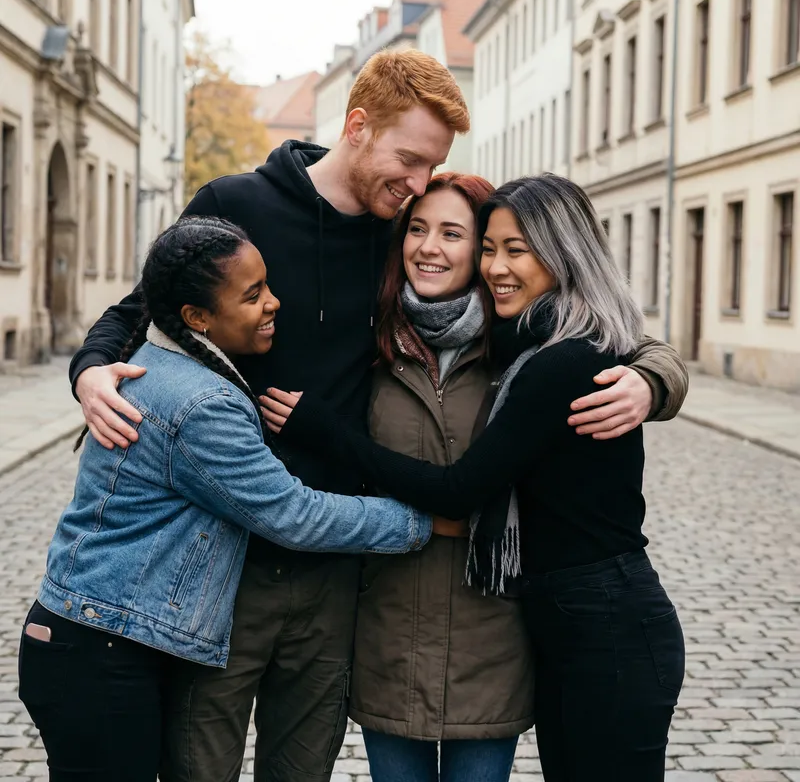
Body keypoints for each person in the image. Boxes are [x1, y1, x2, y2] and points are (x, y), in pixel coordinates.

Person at [68, 48, 678, 780]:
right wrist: (90, 372)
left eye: (433, 172)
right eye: (411, 160)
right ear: (357, 126)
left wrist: (653, 379)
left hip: (337, 572)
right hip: (228, 560)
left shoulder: (407, 232)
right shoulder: (238, 205)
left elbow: (604, 327)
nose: (420, 189)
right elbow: (140, 309)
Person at [264, 175, 687, 782]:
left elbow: (461, 490)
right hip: (560, 621)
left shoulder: (558, 358)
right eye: (491, 248)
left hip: (605, 620)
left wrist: (656, 377)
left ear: (563, 252)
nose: (496, 266)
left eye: (515, 249)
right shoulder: (527, 341)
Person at [19, 218, 439, 782]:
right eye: (252, 294)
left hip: (95, 640)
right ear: (197, 318)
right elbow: (292, 515)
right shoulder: (201, 403)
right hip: (100, 654)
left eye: (267, 285)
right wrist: (419, 519)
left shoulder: (165, 364)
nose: (274, 302)